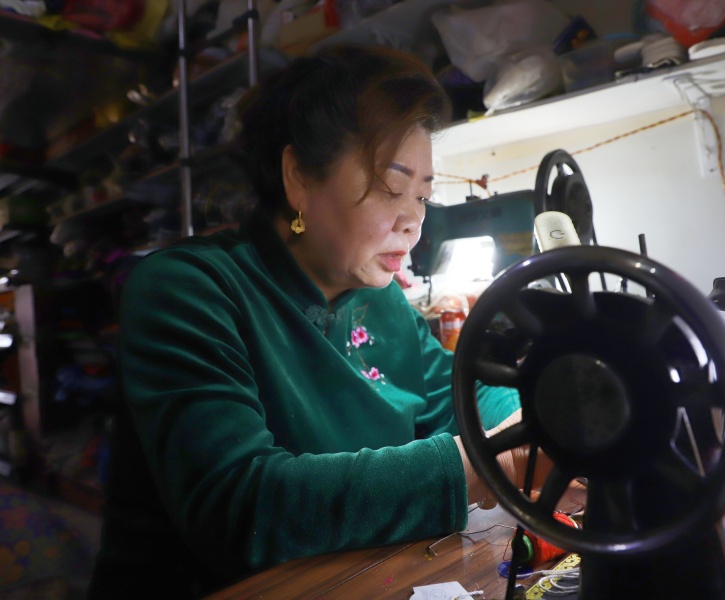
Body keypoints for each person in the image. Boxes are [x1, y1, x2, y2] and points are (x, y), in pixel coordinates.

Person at [88, 43, 542, 599]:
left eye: (423, 197)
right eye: (391, 188)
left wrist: (532, 424)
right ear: (299, 176)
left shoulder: (380, 302)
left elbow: (462, 395)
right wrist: (488, 464)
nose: (413, 222)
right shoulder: (189, 290)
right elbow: (241, 507)